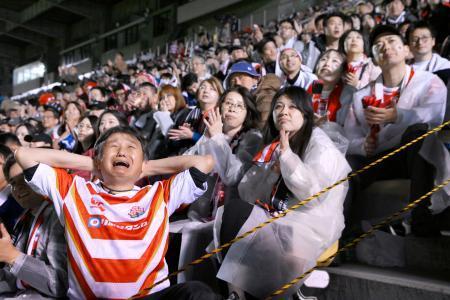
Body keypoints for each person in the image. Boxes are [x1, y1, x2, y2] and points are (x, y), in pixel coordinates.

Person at [15, 126, 218, 299]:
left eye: (131, 148)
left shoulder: (159, 194)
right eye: (113, 147)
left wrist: (147, 168)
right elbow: (25, 155)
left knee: (197, 292)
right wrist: (93, 165)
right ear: (99, 159)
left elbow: (205, 163)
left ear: (142, 161)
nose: (122, 152)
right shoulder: (73, 191)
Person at [217, 86, 351, 299]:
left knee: (239, 216)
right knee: (233, 212)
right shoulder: (274, 144)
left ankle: (241, 294)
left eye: (291, 107)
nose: (283, 112)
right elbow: (247, 191)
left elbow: (314, 195)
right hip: (275, 217)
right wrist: (271, 172)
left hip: (307, 225)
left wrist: (288, 158)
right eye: (278, 106)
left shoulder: (321, 145)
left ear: (306, 113)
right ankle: (236, 293)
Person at [344, 25, 450, 236]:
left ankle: (421, 219)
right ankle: (339, 235)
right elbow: (349, 136)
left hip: (413, 155)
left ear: (406, 50)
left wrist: (398, 115)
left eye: (392, 41)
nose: (386, 47)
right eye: (378, 46)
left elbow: (435, 118)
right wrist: (362, 145)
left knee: (419, 133)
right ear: (373, 58)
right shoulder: (360, 96)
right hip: (378, 158)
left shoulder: (429, 81)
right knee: (346, 165)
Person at [179, 87, 262, 284]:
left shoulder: (253, 138)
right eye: (229, 103)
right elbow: (184, 163)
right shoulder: (210, 133)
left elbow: (232, 176)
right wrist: (208, 138)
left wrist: (217, 138)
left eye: (239, 106)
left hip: (230, 218)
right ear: (220, 108)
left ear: (247, 113)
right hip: (202, 213)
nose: (233, 108)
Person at [0, 156, 67, 298]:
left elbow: (61, 285)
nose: (18, 188)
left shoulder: (59, 216)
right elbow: (14, 277)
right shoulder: (26, 217)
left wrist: (13, 257)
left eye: (25, 178)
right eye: (13, 183)